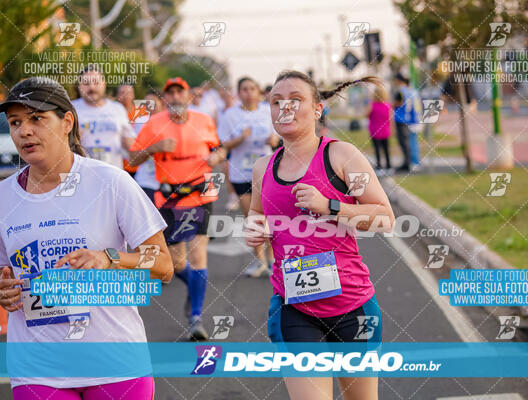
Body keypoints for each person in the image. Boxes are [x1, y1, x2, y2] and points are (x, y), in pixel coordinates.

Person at [0, 76, 173, 399]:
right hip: (38, 367)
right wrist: (3, 288)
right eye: (15, 122)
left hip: (115, 362)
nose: (24, 131)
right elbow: (2, 272)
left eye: (37, 119)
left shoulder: (110, 182)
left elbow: (163, 265)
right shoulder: (3, 198)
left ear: (67, 122)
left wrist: (109, 258)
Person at [245, 70, 395, 400]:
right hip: (293, 308)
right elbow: (257, 213)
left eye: (295, 100)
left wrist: (330, 205)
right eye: (276, 101)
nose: (284, 107)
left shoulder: (341, 156)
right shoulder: (262, 168)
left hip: (352, 307)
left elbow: (385, 218)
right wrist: (255, 228)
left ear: (317, 109)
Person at [129, 77, 226, 340]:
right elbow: (132, 158)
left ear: (188, 96)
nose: (175, 98)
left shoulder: (204, 120)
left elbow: (218, 148)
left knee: (198, 256)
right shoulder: (154, 124)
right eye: (169, 94)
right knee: (174, 262)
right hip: (169, 196)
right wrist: (154, 148)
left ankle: (196, 317)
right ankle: (193, 288)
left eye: (179, 93)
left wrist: (216, 156)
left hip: (201, 193)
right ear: (165, 99)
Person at [220, 77, 279, 278]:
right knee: (253, 219)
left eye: (252, 88)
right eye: (244, 89)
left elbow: (278, 137)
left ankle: (272, 261)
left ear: (258, 91)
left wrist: (274, 140)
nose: (248, 92)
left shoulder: (267, 111)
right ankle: (259, 260)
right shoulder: (230, 115)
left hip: (266, 172)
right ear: (239, 93)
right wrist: (240, 138)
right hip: (240, 174)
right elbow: (223, 144)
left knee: (269, 218)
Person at [73, 65, 136, 169]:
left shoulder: (118, 109)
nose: (91, 87)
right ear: (79, 86)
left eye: (96, 82)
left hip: (113, 175)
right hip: (83, 174)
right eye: (86, 83)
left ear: (104, 84)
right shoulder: (71, 108)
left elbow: (131, 146)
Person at [133, 90, 165, 200]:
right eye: (147, 105)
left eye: (153, 104)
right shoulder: (140, 123)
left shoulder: (171, 122)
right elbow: (134, 154)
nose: (150, 108)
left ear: (162, 103)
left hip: (167, 183)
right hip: (145, 182)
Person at [393, 73, 421, 172]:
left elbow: (398, 104)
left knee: (408, 143)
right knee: (412, 142)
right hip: (414, 119)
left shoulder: (401, 91)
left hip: (405, 119)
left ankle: (412, 163)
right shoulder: (413, 91)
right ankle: (414, 162)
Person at [367, 85, 392, 173]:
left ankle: (379, 167)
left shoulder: (372, 105)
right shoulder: (388, 105)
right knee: (386, 149)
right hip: (385, 130)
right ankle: (389, 166)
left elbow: (366, 115)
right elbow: (390, 118)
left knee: (377, 149)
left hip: (374, 130)